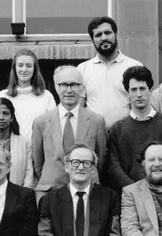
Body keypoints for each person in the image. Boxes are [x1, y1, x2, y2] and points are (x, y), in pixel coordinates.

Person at [32, 65, 108, 199]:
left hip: (87, 192)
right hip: (51, 192)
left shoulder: (97, 121)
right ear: (56, 87)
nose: (68, 90)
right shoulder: (41, 122)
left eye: (74, 84)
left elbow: (100, 161)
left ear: (82, 88)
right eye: (63, 85)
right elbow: (38, 162)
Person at [107, 66, 162, 191]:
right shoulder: (117, 129)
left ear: (151, 90)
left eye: (142, 89)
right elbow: (114, 167)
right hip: (129, 197)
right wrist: (136, 191)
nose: (138, 94)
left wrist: (159, 189)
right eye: (133, 90)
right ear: (127, 93)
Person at [77, 16, 143, 127]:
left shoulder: (134, 66)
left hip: (126, 134)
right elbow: (79, 108)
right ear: (92, 39)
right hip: (94, 135)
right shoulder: (82, 69)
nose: (104, 38)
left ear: (116, 34)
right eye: (98, 35)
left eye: (107, 33)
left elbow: (140, 104)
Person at [0, 49, 56, 141]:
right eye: (20, 65)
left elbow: (53, 129)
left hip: (38, 151)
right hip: (10, 152)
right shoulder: (2, 96)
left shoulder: (47, 96)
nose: (24, 69)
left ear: (34, 69)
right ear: (14, 68)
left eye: (29, 66)